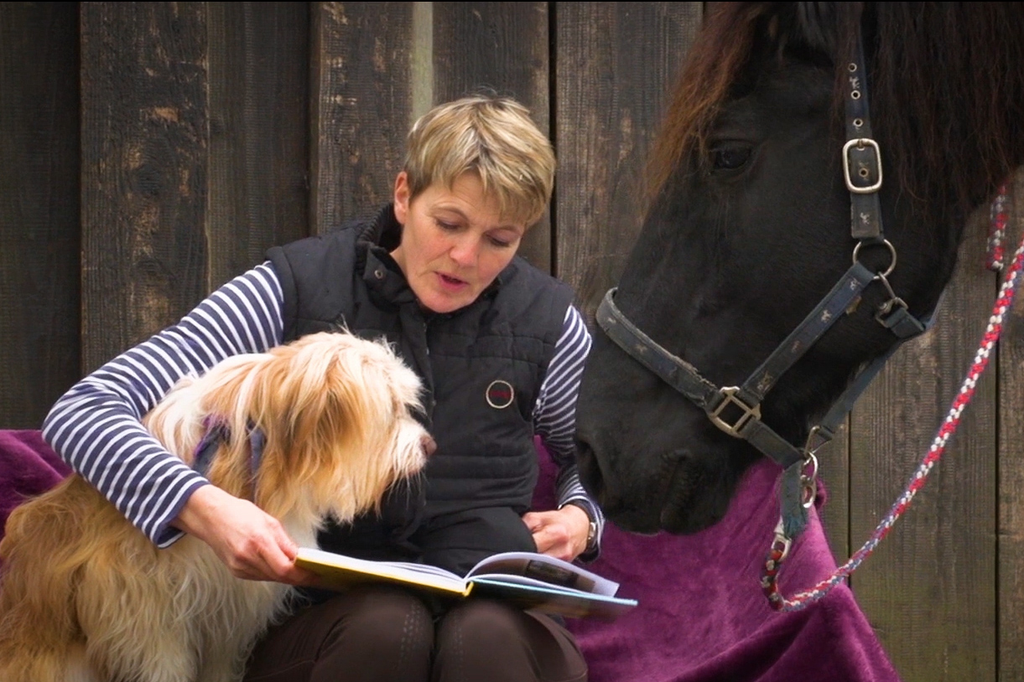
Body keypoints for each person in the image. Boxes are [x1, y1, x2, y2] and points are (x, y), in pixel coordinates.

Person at [43, 93, 602, 682]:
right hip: (325, 613)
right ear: (406, 195)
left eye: (501, 240)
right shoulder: (293, 287)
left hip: (497, 611)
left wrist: (581, 518)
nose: (467, 256)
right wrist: (204, 509)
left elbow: (590, 459)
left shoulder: (550, 321)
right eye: (450, 224)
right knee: (389, 629)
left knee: (484, 637)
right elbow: (86, 411)